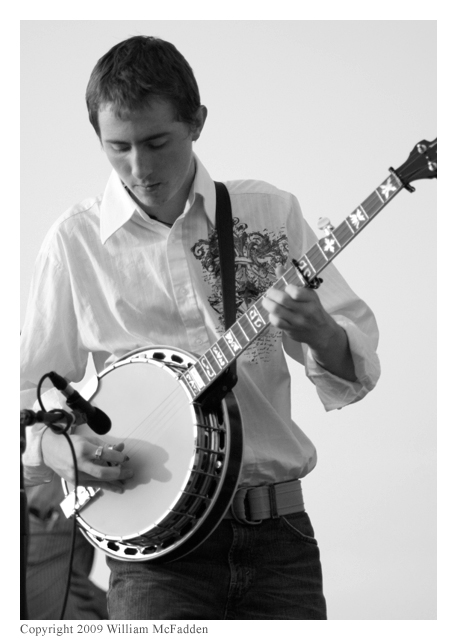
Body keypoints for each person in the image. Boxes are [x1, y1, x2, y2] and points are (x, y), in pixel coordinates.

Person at [21, 35, 380, 620]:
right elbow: (25, 392)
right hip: (156, 562)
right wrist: (54, 447)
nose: (139, 167)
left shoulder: (270, 214)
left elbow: (354, 373)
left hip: (280, 540)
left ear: (197, 122)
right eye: (118, 147)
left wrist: (320, 331)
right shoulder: (73, 243)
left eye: (156, 142)